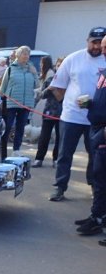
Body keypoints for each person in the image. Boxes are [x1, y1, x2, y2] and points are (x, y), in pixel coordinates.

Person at [48, 26, 106, 202]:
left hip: (97, 120)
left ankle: (94, 186)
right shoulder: (73, 58)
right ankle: (60, 187)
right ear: (87, 41)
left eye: (100, 43)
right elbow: (57, 86)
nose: (96, 47)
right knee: (65, 154)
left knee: (96, 156)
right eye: (93, 42)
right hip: (71, 117)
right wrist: (67, 102)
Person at [75, 35, 106, 244]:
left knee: (103, 179)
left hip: (103, 131)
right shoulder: (104, 72)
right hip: (97, 128)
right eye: (102, 47)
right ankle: (97, 217)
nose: (103, 51)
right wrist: (90, 104)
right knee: (99, 178)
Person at [0, 45, 38, 156]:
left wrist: (35, 73)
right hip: (11, 103)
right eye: (24, 54)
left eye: (28, 54)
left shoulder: (31, 69)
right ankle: (2, 151)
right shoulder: (11, 68)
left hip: (26, 103)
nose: (26, 56)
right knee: (7, 127)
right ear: (18, 55)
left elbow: (37, 85)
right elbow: (3, 86)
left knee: (20, 128)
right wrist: (0, 100)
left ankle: (16, 150)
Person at [34, 55, 62, 167]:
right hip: (49, 112)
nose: (60, 67)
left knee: (60, 138)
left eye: (62, 65)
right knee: (44, 137)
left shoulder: (70, 80)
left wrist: (54, 90)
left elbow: (63, 98)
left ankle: (56, 159)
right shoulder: (51, 79)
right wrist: (48, 88)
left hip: (63, 113)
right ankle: (39, 159)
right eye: (58, 65)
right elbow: (42, 95)